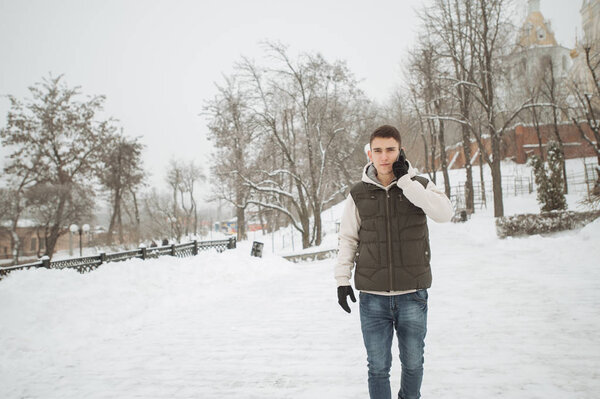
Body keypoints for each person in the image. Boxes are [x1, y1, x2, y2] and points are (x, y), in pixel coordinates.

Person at [335, 125, 453, 399]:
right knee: (377, 367)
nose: (384, 156)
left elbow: (444, 214)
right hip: (372, 299)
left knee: (413, 363)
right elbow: (348, 239)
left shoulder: (419, 184)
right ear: (370, 153)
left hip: (412, 295)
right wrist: (342, 280)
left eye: (390, 149)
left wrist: (406, 184)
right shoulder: (359, 193)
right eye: (378, 150)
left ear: (400, 151)